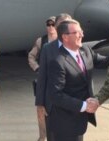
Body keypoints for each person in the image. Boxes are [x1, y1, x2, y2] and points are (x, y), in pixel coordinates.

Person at [36, 19, 109, 141]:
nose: (82, 35)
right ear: (65, 37)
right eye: (77, 32)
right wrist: (85, 106)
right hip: (65, 121)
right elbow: (56, 95)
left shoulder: (85, 50)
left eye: (81, 31)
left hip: (79, 119)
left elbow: (106, 62)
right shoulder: (58, 61)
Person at [32, 13, 72, 141]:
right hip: (44, 81)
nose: (50, 27)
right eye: (48, 24)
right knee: (41, 112)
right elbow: (31, 56)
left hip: (60, 84)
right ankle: (43, 136)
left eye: (52, 24)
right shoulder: (42, 41)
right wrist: (37, 68)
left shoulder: (66, 41)